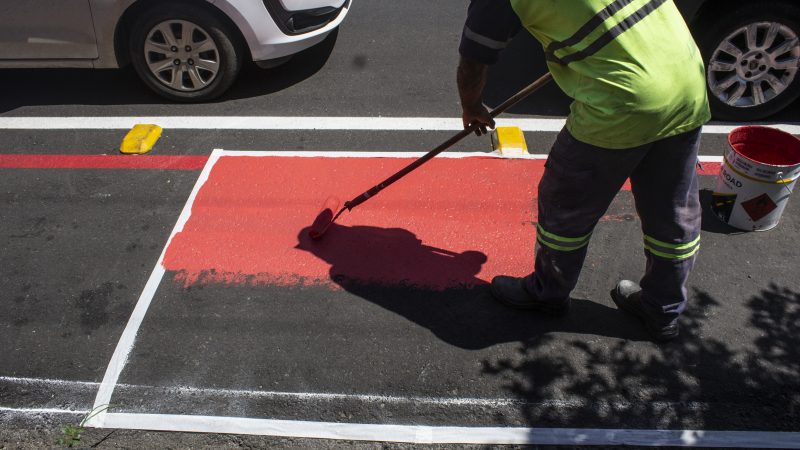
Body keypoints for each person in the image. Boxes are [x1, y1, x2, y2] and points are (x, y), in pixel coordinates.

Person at [457, 0, 711, 341]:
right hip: (685, 77)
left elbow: (476, 57)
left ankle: (547, 292)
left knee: (564, 204)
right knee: (672, 210)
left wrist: (472, 106)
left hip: (624, 102)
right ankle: (662, 309)